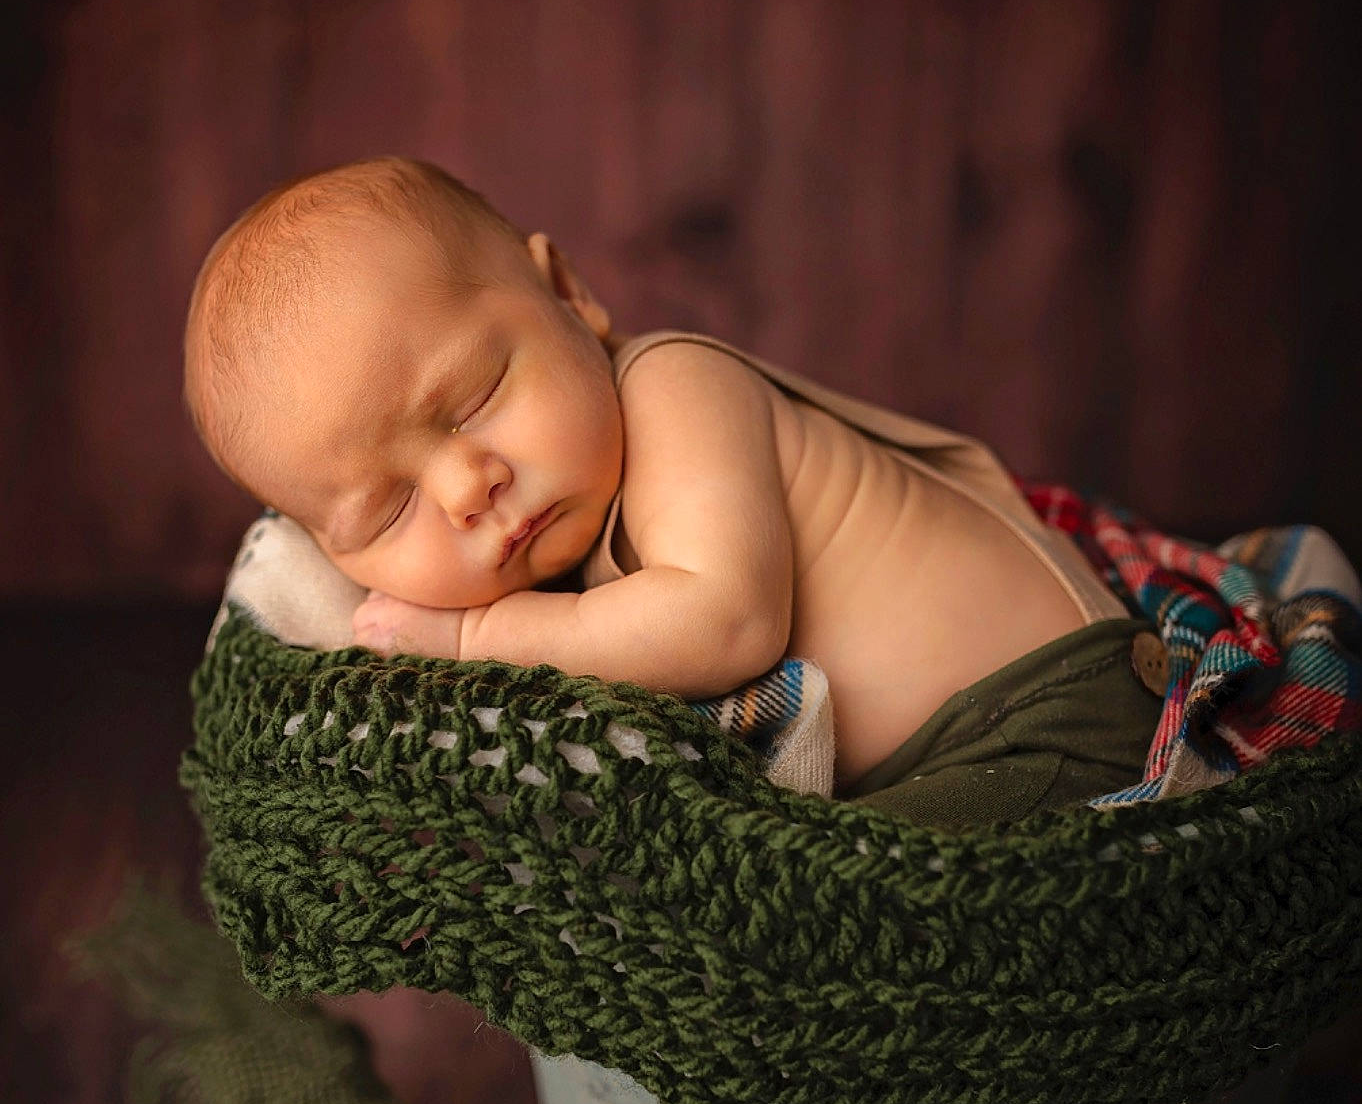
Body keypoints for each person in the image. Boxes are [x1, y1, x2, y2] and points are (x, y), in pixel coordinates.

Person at [185, 155, 1161, 820]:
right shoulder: (557, 546)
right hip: (960, 748)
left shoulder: (672, 392)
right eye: (388, 511)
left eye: (477, 396)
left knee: (837, 913)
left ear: (568, 295)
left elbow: (726, 621)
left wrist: (479, 639)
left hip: (1048, 710)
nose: (466, 489)